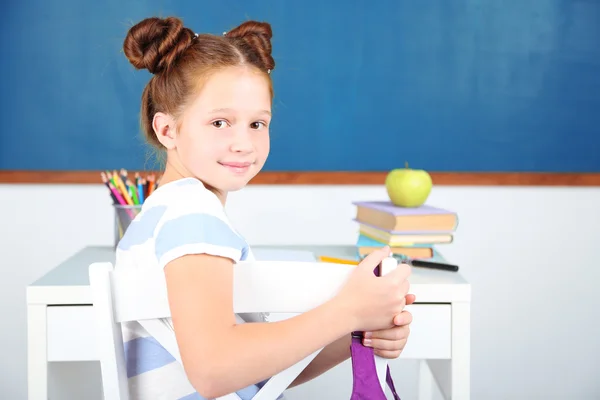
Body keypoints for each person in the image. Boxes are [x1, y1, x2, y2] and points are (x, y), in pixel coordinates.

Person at [116, 15, 415, 400]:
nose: (244, 143)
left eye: (258, 124)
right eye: (220, 122)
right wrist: (348, 311)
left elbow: (254, 373)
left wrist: (358, 332)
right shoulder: (192, 213)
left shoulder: (166, 211)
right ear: (167, 130)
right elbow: (214, 370)